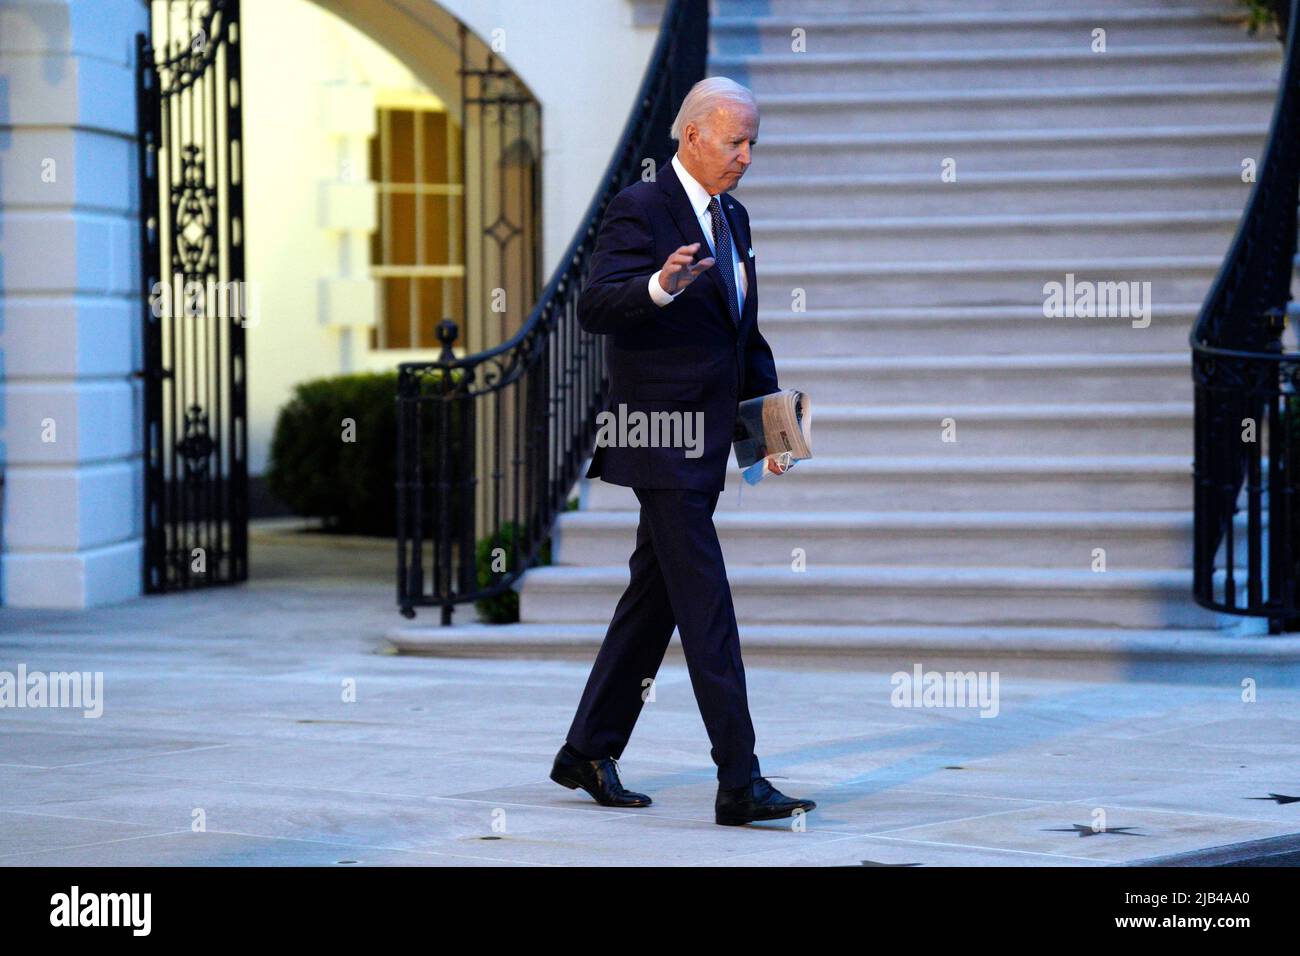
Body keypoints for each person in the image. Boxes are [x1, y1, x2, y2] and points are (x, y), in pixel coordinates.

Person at [550, 77, 817, 827]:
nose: (747, 156)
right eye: (737, 141)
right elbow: (598, 303)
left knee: (656, 598)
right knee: (707, 607)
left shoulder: (735, 217)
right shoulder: (640, 206)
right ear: (693, 135)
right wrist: (660, 287)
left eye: (753, 142)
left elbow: (744, 335)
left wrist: (771, 438)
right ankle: (740, 779)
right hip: (659, 440)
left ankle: (587, 750)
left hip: (705, 442)